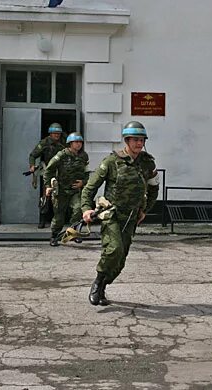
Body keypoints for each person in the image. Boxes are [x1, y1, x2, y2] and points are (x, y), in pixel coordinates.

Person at [81, 121, 159, 306]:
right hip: (112, 214)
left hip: (131, 217)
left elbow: (154, 188)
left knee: (120, 259)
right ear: (127, 140)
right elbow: (89, 188)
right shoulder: (112, 161)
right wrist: (86, 209)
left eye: (142, 140)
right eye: (135, 140)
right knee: (113, 249)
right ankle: (98, 282)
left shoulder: (148, 163)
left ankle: (103, 286)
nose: (139, 144)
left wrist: (144, 210)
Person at [43, 132, 90, 246]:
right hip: (61, 191)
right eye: (76, 142)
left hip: (75, 190)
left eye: (80, 142)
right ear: (70, 143)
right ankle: (54, 236)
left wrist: (83, 182)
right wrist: (48, 186)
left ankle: (73, 233)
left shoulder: (84, 156)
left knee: (78, 210)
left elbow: (87, 172)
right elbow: (49, 170)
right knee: (59, 215)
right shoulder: (61, 155)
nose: (78, 144)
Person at [28, 123, 65, 228]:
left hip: (61, 173)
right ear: (50, 133)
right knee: (45, 197)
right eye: (55, 133)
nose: (57, 135)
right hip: (48, 173)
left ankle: (59, 220)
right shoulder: (45, 143)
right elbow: (33, 155)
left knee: (61, 197)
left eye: (58, 133)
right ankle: (42, 220)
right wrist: (32, 166)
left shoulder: (64, 142)